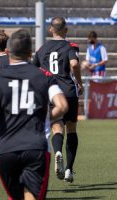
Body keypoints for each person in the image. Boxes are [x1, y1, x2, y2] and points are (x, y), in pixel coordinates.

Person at [0, 29, 68, 200]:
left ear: (8, 51)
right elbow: (63, 106)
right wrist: (41, 116)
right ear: (31, 53)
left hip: (6, 149)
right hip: (35, 147)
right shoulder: (44, 76)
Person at [33, 17, 83, 183]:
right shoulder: (70, 46)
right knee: (72, 129)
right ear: (66, 30)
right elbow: (75, 64)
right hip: (68, 91)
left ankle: (57, 152)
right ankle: (69, 169)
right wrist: (80, 83)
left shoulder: (42, 49)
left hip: (51, 93)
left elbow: (33, 70)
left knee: (57, 127)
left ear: (50, 30)